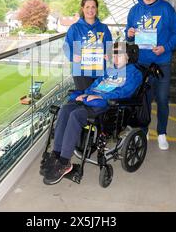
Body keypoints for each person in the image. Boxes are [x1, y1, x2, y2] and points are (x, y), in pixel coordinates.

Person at [42, 42, 143, 185]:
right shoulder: (109, 71)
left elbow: (124, 92)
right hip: (91, 100)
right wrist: (84, 94)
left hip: (108, 106)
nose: (115, 58)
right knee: (65, 110)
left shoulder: (134, 73)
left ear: (128, 57)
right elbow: (95, 86)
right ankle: (56, 155)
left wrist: (101, 97)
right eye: (113, 55)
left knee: (75, 115)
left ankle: (65, 162)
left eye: (119, 55)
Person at [125, 0, 176, 151]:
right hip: (142, 65)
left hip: (162, 63)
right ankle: (143, 131)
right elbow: (128, 35)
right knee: (144, 101)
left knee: (163, 100)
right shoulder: (134, 10)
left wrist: (165, 48)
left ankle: (162, 133)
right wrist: (129, 33)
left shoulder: (166, 8)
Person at [64, 0, 113, 91]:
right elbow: (66, 46)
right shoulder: (75, 28)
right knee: (85, 99)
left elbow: (109, 46)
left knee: (97, 99)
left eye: (93, 7)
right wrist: (72, 56)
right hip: (81, 72)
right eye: (87, 7)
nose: (90, 10)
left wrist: (109, 54)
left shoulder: (103, 28)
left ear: (97, 9)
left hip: (99, 71)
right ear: (82, 9)